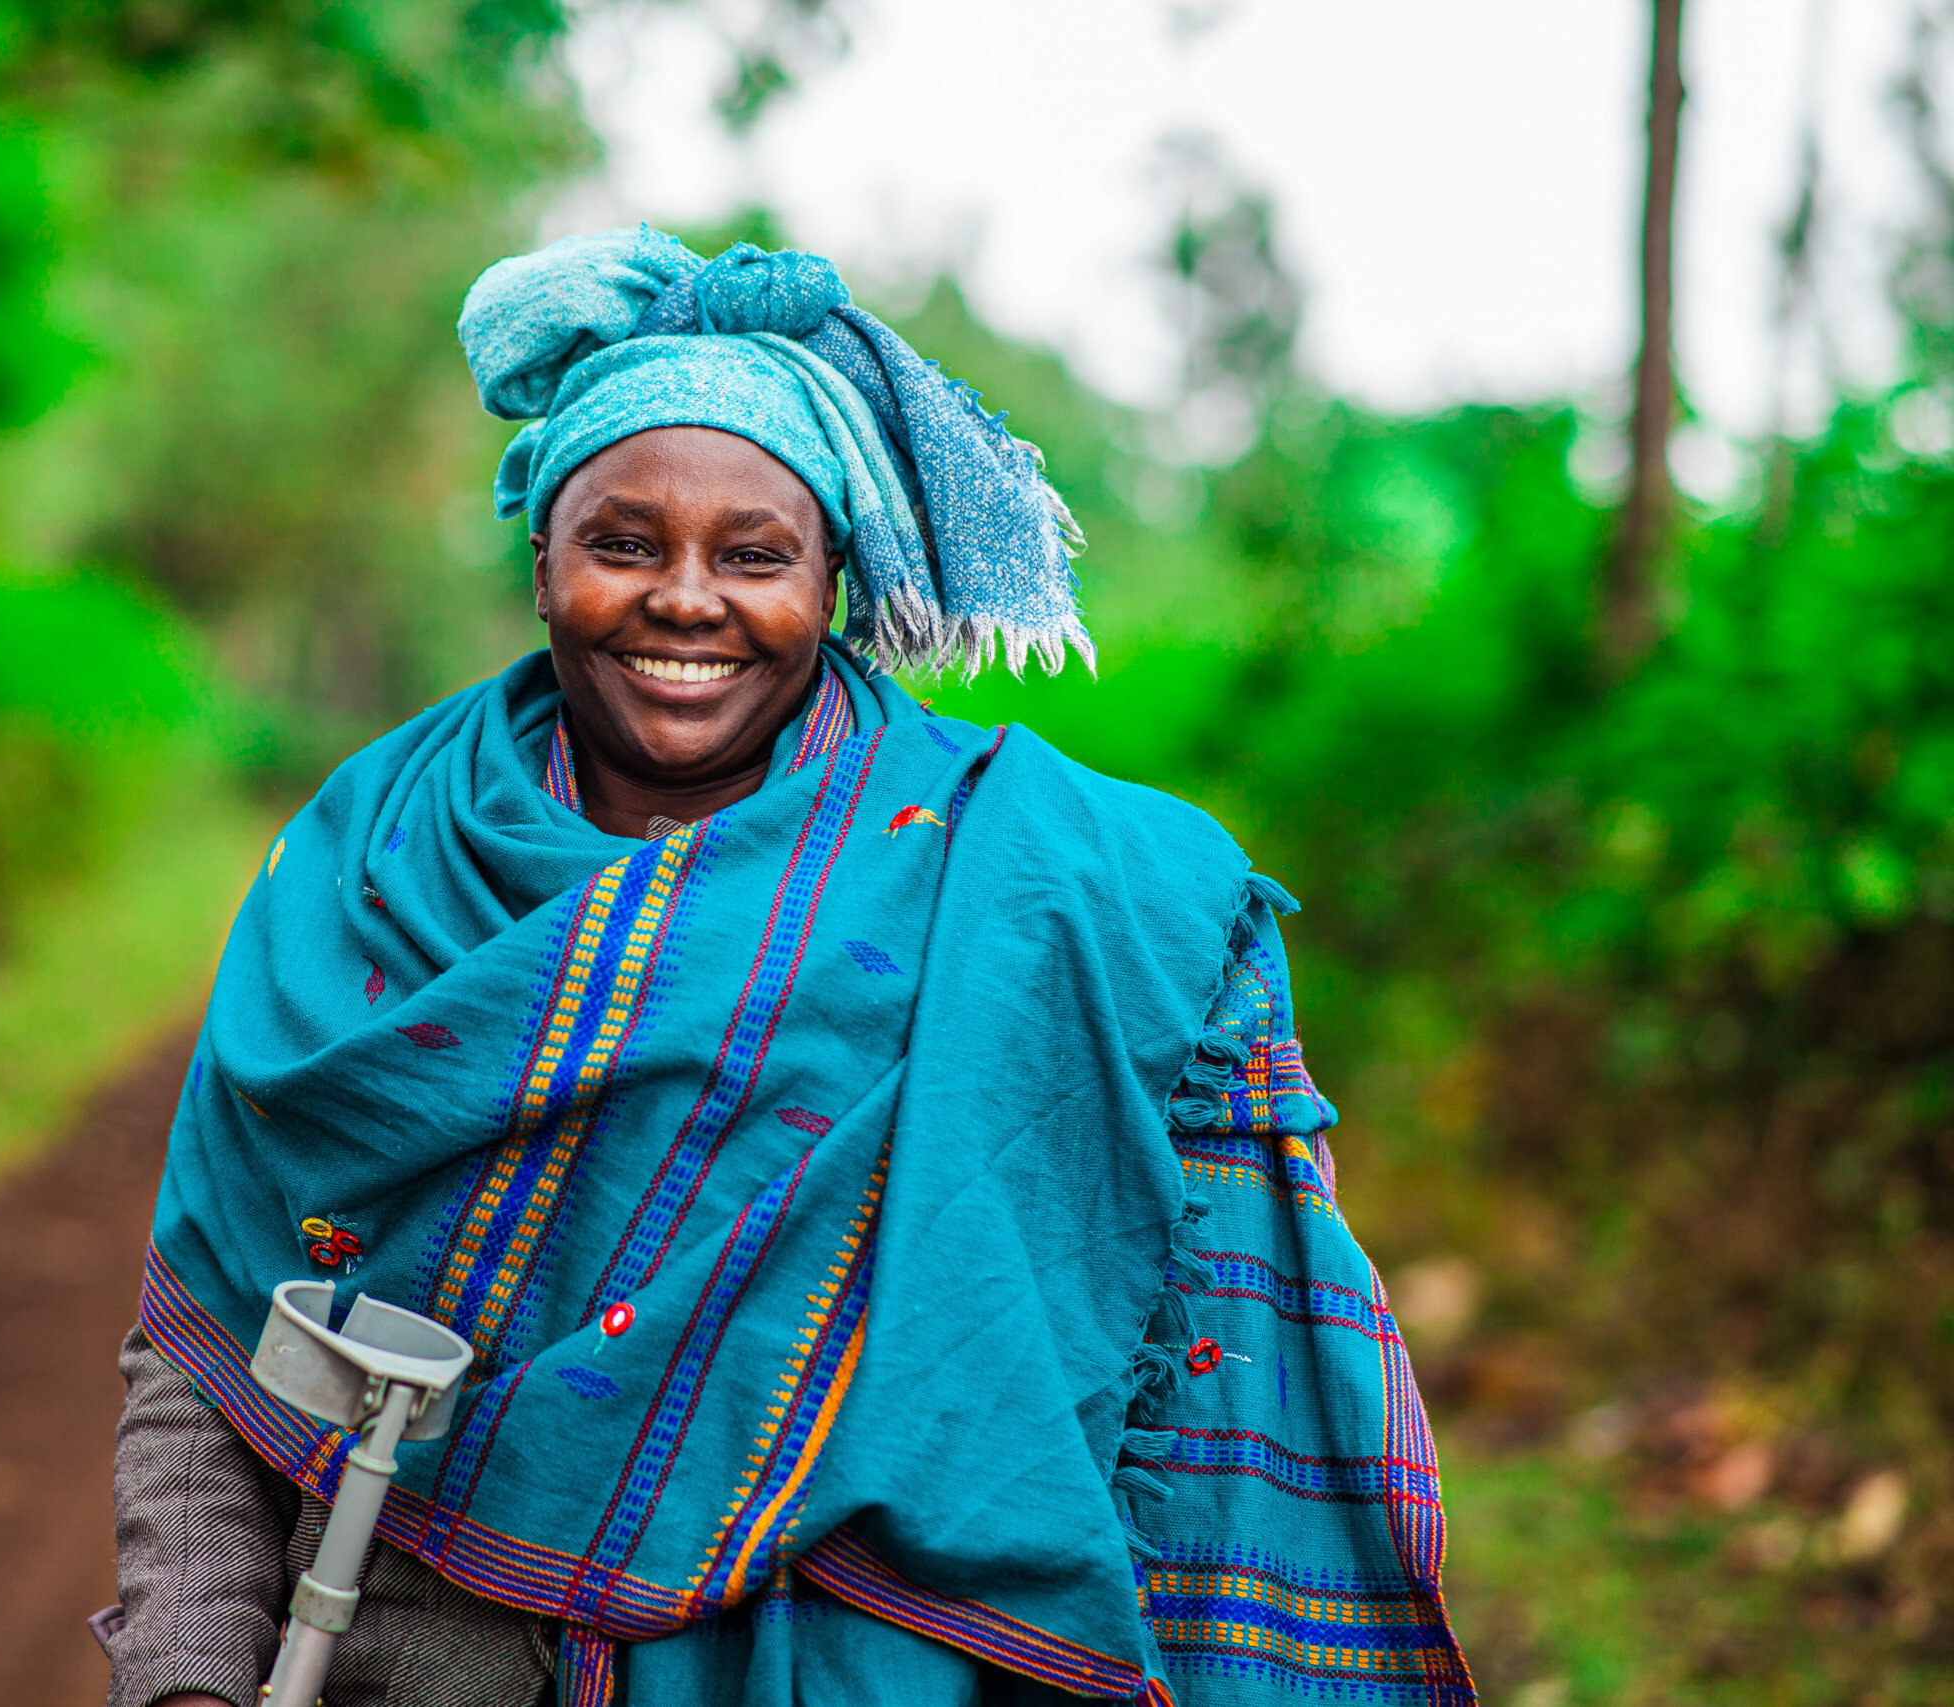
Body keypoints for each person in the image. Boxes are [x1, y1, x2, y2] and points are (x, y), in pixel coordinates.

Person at [98, 229, 1474, 1707]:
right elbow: (216, 1336)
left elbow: (1195, 1349)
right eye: (624, 542)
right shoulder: (372, 857)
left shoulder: (1032, 887)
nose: (687, 600)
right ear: (543, 562)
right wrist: (185, 1671)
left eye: (754, 555)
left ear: (833, 579)